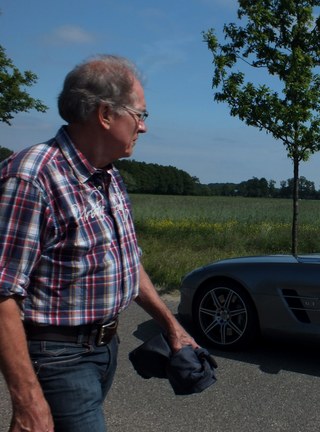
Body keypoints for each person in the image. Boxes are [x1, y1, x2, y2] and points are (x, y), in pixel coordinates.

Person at [0, 55, 198, 432]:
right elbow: (2, 293)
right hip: (58, 355)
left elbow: (126, 262)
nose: (143, 127)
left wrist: (172, 327)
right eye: (140, 115)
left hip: (105, 348)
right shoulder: (32, 177)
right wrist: (27, 401)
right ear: (106, 114)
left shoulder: (108, 177)